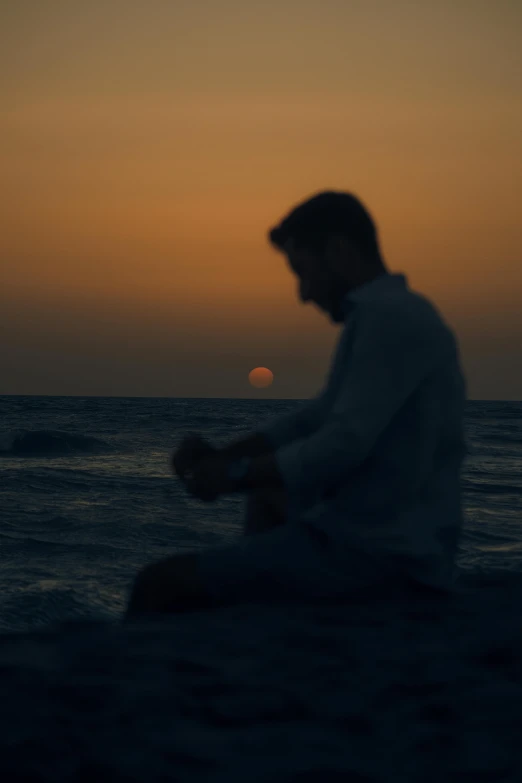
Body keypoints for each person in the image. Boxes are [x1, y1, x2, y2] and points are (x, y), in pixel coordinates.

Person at [124, 190, 467, 619]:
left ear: (339, 251)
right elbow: (316, 418)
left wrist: (233, 475)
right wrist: (227, 455)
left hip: (382, 553)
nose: (303, 294)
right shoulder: (386, 315)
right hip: (379, 536)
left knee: (157, 586)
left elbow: (343, 442)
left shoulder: (391, 319)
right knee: (268, 497)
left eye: (303, 272)